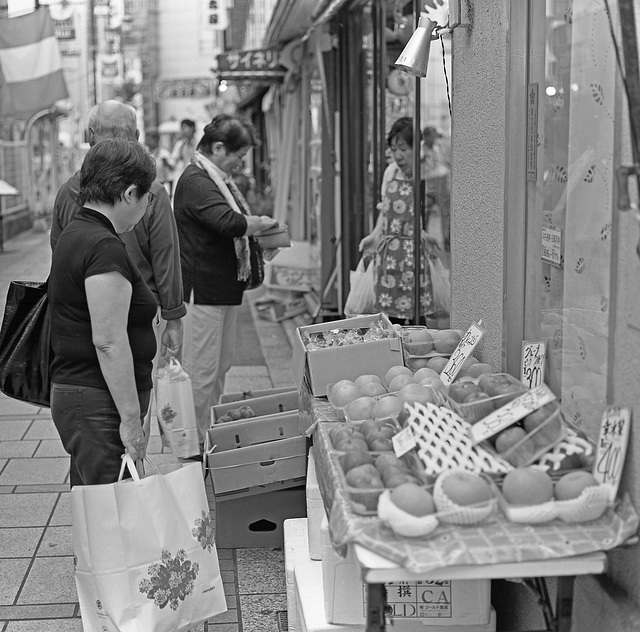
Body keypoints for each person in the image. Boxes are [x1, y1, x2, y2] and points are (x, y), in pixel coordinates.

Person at [51, 100, 186, 445]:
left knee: (94, 481)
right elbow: (166, 253)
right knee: (115, 463)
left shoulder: (71, 196)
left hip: (78, 345)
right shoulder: (145, 193)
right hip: (112, 351)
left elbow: (60, 263)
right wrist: (172, 314)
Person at [49, 139, 158, 486]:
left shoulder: (77, 232)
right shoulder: (103, 246)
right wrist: (130, 419)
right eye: (147, 196)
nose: (146, 205)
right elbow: (109, 341)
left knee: (97, 511)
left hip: (85, 397)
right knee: (110, 513)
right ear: (129, 193)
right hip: (99, 402)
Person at [173, 113, 278, 447]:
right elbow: (227, 221)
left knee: (218, 368)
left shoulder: (213, 178)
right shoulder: (196, 180)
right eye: (238, 156)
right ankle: (190, 445)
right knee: (201, 373)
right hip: (203, 293)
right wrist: (257, 224)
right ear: (218, 148)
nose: (240, 164)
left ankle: (206, 436)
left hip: (220, 291)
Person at [359, 117, 440, 325]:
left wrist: (426, 236)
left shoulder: (423, 175)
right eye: (394, 149)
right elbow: (385, 211)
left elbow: (422, 216)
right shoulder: (390, 173)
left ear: (417, 146)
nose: (398, 155)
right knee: (389, 318)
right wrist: (374, 235)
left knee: (416, 318)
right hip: (389, 255)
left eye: (403, 148)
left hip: (413, 254)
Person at [168, 118, 198, 191]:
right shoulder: (180, 145)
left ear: (192, 128)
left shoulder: (199, 144)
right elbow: (173, 161)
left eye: (185, 128)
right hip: (186, 177)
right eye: (181, 128)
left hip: (198, 177)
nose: (183, 131)